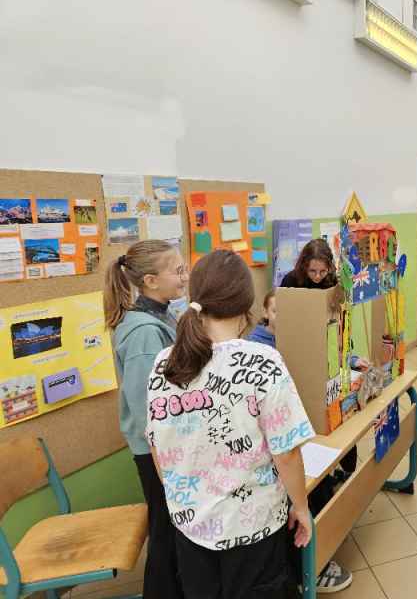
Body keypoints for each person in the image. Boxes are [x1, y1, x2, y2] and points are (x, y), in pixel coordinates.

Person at [146, 249, 312, 599]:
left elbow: (157, 447)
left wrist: (187, 501)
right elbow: (286, 453)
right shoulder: (263, 361)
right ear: (246, 302)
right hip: (253, 528)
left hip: (191, 529)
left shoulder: (164, 364)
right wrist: (301, 506)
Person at [104, 239, 188, 599]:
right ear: (151, 281)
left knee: (174, 528)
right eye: (178, 271)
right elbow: (147, 409)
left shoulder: (161, 315)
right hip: (158, 452)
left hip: (169, 446)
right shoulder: (144, 333)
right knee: (166, 531)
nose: (185, 276)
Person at [280, 237, 358, 593]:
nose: (316, 276)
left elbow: (341, 321)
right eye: (311, 271)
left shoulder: (333, 285)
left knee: (342, 426)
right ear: (303, 267)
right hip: (302, 359)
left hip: (329, 357)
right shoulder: (290, 284)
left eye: (321, 271)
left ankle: (343, 471)